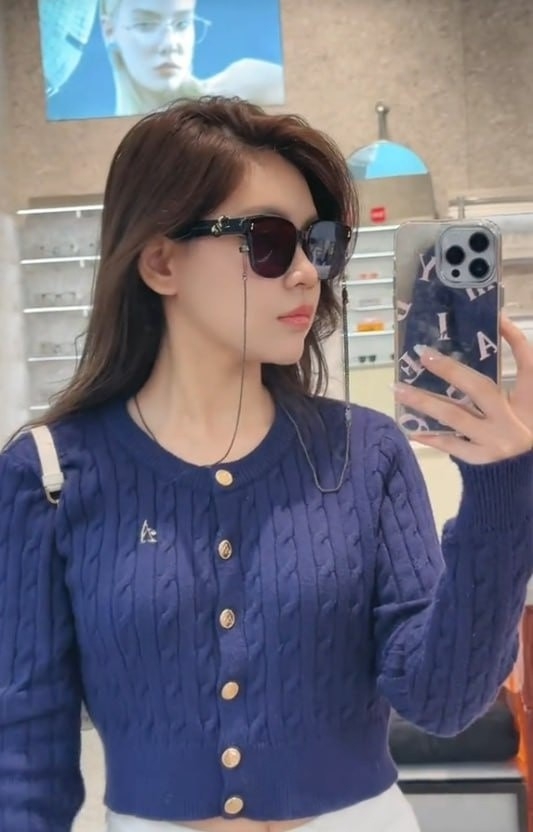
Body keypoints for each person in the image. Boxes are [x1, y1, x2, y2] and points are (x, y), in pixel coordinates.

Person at [1, 95, 533, 832]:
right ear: (160, 261)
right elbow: (23, 750)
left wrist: (502, 487)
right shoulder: (51, 474)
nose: (307, 274)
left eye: (318, 244)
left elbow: (442, 700)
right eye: (268, 242)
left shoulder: (366, 453)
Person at [100, 0, 284, 116]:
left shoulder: (250, 85)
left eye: (182, 23)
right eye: (146, 24)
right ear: (109, 30)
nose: (170, 44)